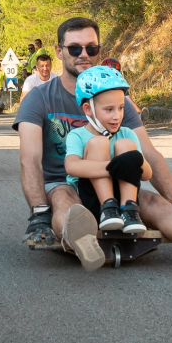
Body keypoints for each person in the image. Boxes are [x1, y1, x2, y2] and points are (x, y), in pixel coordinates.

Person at [14, 16, 172, 271]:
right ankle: (82, 238)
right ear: (59, 52)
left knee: (151, 201)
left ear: (99, 51)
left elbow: (149, 154)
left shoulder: (118, 102)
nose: (83, 54)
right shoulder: (39, 98)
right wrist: (40, 213)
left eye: (91, 48)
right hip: (65, 184)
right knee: (65, 198)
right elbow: (29, 159)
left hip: (116, 182)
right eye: (75, 48)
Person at [65, 66, 149, 234]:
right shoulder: (78, 135)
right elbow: (71, 167)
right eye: (109, 109)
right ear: (88, 109)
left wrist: (134, 160)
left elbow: (147, 174)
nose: (117, 115)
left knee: (125, 145)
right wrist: (113, 168)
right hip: (92, 198)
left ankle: (129, 210)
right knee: (98, 143)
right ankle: (107, 209)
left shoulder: (127, 134)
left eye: (121, 108)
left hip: (125, 195)